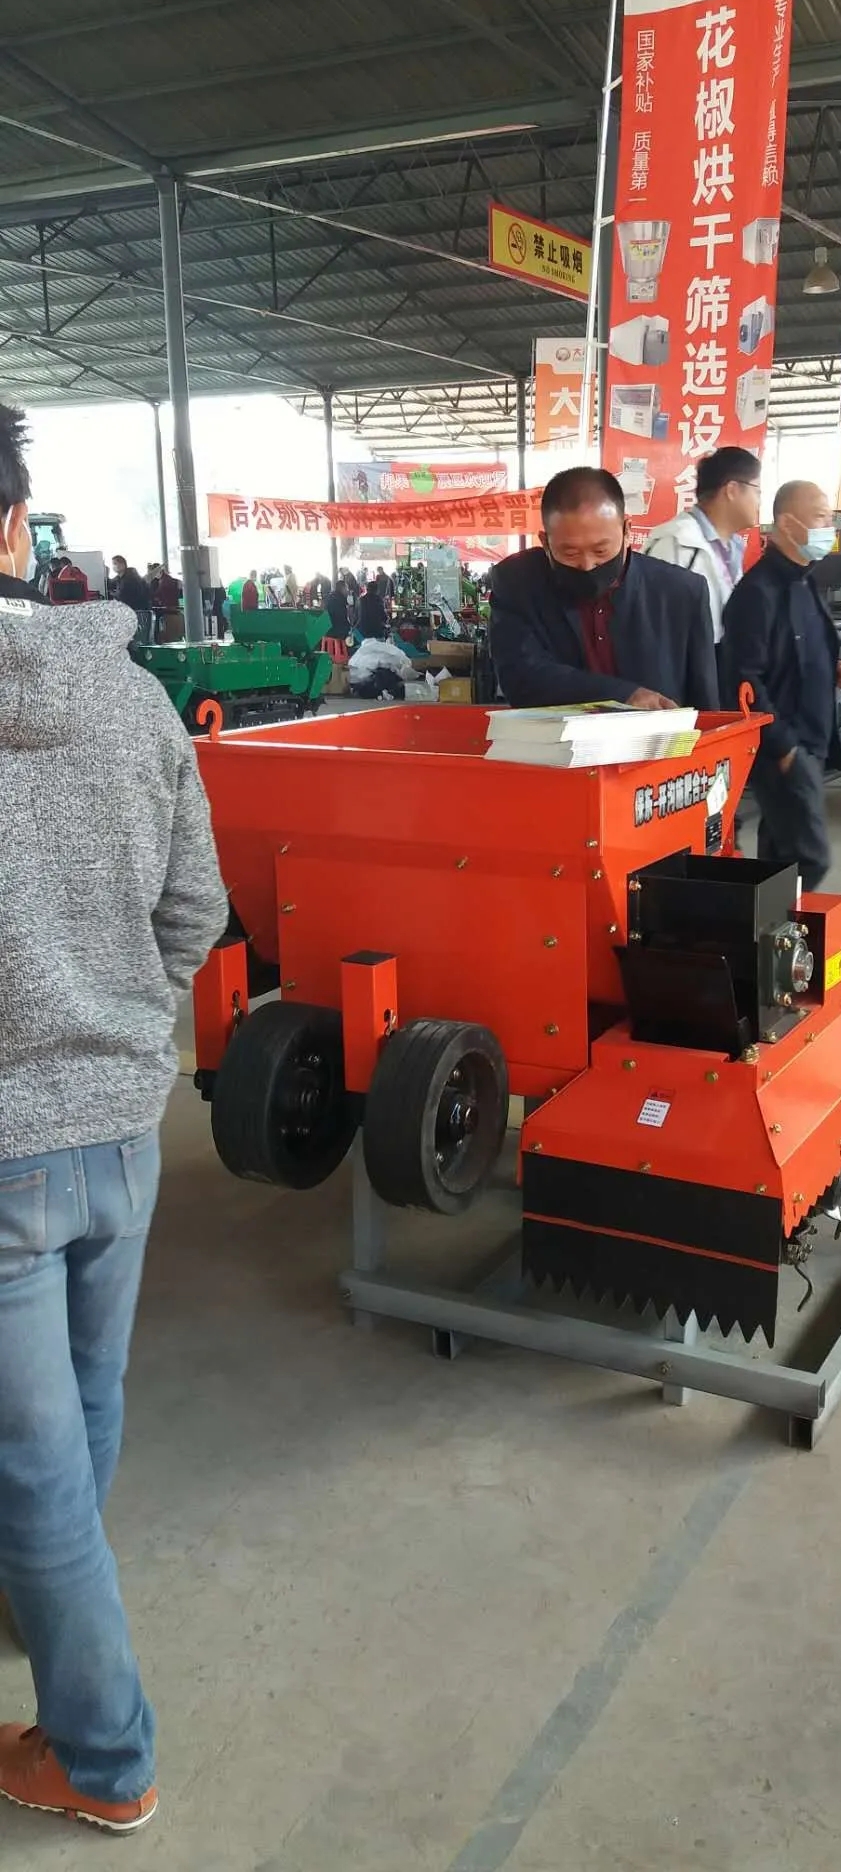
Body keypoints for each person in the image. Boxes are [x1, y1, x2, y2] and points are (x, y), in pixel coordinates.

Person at [0, 402, 228, 1832]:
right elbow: (197, 906)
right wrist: (126, 1024)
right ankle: (48, 1603)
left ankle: (100, 1755)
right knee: (82, 1410)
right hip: (121, 1129)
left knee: (31, 1464)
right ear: (16, 525)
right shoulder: (134, 698)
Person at [721, 480, 841, 891]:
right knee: (810, 858)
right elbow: (743, 678)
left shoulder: (805, 580)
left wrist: (830, 667)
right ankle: (775, 921)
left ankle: (769, 923)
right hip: (786, 747)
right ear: (786, 523)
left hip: (811, 739)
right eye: (820, 518)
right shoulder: (756, 594)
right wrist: (783, 747)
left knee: (780, 854)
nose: (828, 528)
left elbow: (795, 648)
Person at [490, 466, 719, 711]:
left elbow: (704, 704)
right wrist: (623, 695)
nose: (587, 565)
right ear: (546, 542)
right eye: (570, 553)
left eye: (601, 551)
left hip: (662, 737)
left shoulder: (680, 593)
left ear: (627, 531)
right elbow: (522, 676)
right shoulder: (519, 582)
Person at [644, 447, 762, 674]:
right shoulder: (676, 543)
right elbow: (654, 629)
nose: (759, 502)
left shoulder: (733, 547)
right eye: (757, 491)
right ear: (732, 490)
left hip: (719, 670)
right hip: (686, 676)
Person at [108, 555, 152, 643]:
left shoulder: (130, 578)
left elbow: (123, 596)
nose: (114, 566)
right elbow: (111, 583)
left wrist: (112, 594)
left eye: (115, 564)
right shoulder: (122, 577)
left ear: (123, 565)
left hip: (137, 612)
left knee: (136, 640)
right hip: (136, 612)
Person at [324, 577, 351, 641]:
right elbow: (342, 618)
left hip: (328, 630)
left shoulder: (330, 597)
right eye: (347, 588)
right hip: (337, 632)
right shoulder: (340, 600)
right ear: (343, 589)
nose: (348, 591)